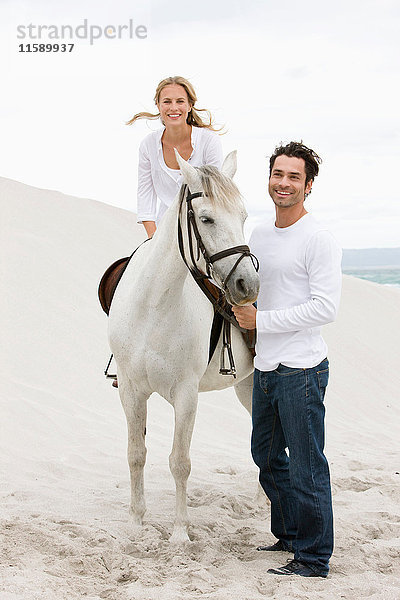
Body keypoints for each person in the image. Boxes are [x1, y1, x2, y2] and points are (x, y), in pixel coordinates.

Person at [232, 142, 342, 578]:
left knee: (307, 463)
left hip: (302, 368)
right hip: (265, 367)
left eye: (294, 177)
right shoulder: (259, 233)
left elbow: (325, 308)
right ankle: (291, 533)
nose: (284, 183)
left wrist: (263, 319)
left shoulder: (319, 238)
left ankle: (313, 558)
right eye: (279, 174)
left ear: (309, 186)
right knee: (266, 454)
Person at [127, 75, 224, 238]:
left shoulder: (209, 141)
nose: (173, 108)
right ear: (158, 105)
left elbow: (215, 194)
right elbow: (145, 197)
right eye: (167, 102)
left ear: (190, 105)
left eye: (180, 101)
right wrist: (153, 240)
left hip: (204, 233)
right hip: (164, 232)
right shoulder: (148, 145)